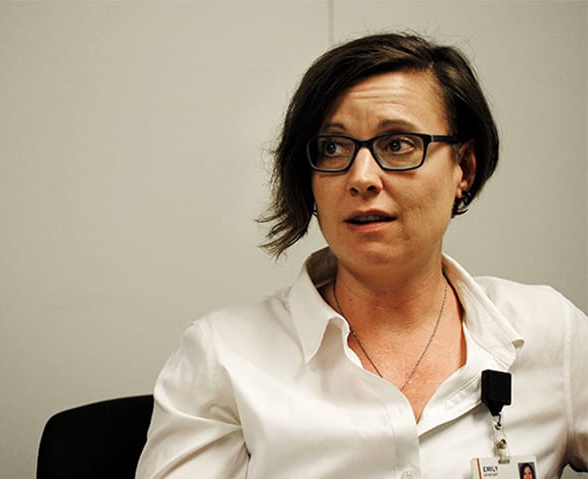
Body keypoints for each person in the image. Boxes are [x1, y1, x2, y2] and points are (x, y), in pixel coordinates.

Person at [134, 33, 587, 478]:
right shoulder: (225, 356)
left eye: (397, 144)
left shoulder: (549, 333)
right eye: (333, 148)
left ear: (463, 168)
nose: (362, 177)